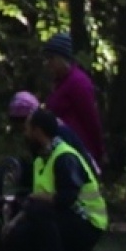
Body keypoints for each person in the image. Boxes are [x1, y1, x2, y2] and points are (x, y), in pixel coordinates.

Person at [2, 107, 106, 251]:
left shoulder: (65, 157)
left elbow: (67, 198)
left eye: (27, 129)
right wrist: (12, 223)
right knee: (17, 236)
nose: (25, 134)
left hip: (88, 223)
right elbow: (35, 199)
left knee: (39, 211)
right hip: (65, 218)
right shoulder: (41, 159)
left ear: (38, 131)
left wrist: (37, 198)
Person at [42, 32, 106, 169]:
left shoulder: (78, 82)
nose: (48, 63)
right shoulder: (60, 83)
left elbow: (91, 120)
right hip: (62, 153)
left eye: (51, 58)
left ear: (62, 58)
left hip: (77, 155)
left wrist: (98, 153)